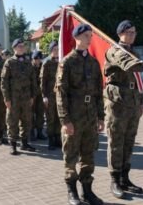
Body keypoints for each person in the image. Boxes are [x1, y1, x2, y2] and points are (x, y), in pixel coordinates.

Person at [56, 24, 104, 205]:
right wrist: (65, 120)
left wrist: (100, 117)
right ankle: (72, 190)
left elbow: (98, 92)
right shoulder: (67, 62)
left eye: (90, 35)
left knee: (88, 155)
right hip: (74, 117)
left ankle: (87, 191)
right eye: (85, 35)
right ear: (76, 37)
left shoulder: (93, 62)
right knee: (71, 155)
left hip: (90, 117)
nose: (89, 38)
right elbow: (60, 93)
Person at [104, 20, 143, 198]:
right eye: (129, 32)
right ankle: (115, 180)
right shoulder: (115, 50)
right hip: (117, 103)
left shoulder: (133, 51)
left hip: (132, 103)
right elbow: (129, 65)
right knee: (116, 142)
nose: (133, 35)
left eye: (134, 32)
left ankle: (125, 178)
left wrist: (141, 102)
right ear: (120, 33)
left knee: (129, 141)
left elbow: (137, 81)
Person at [1, 38, 37, 155]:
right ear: (14, 48)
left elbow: (33, 80)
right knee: (12, 121)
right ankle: (13, 145)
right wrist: (6, 98)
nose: (22, 48)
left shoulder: (28, 62)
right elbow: (4, 82)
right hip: (13, 98)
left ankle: (24, 143)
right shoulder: (9, 62)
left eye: (23, 46)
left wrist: (32, 96)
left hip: (26, 97)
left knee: (26, 120)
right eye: (19, 46)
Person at [40, 40, 61, 150]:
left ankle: (58, 139)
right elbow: (42, 81)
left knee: (58, 117)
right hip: (50, 95)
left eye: (58, 49)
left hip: (59, 95)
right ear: (50, 50)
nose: (56, 51)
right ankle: (51, 141)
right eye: (54, 49)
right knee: (50, 118)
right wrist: (44, 96)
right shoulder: (46, 62)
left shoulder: (61, 61)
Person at [29, 50, 47, 141]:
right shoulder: (29, 67)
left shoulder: (42, 67)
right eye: (35, 58)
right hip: (32, 94)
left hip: (40, 94)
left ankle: (40, 131)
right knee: (31, 114)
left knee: (40, 113)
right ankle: (31, 132)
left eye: (39, 59)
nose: (37, 60)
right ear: (32, 58)